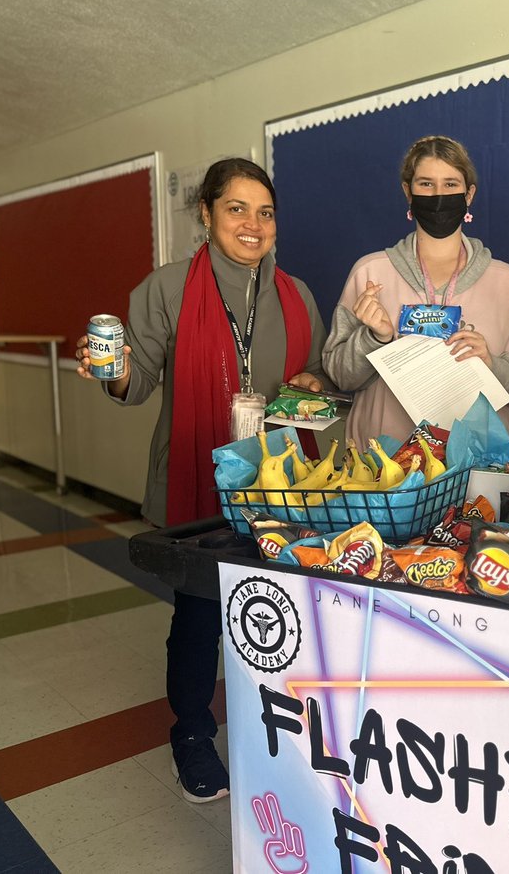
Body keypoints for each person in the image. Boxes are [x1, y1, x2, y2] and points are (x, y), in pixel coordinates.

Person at [74, 158, 329, 803]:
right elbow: (136, 386)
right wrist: (113, 371)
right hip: (199, 481)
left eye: (265, 212)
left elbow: (319, 382)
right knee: (199, 614)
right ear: (207, 215)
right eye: (237, 208)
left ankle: (277, 734)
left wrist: (313, 386)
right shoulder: (166, 289)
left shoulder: (297, 296)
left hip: (281, 488)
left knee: (281, 619)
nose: (252, 224)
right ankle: (191, 734)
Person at [322, 135, 509, 446]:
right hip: (381, 465)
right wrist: (372, 338)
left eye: (451, 184)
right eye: (426, 184)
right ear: (408, 191)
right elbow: (339, 376)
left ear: (469, 194)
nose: (438, 195)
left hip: (476, 463)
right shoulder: (369, 273)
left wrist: (491, 363)